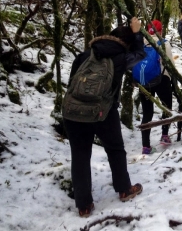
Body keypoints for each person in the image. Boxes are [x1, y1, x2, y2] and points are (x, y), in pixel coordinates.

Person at [64, 17, 144, 218]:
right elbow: (140, 54)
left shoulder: (85, 54)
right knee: (115, 149)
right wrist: (137, 34)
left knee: (80, 156)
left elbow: (72, 83)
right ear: (124, 43)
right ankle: (124, 189)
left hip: (73, 112)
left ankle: (83, 206)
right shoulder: (120, 58)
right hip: (102, 112)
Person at [140, 20, 174, 154]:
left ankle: (145, 146)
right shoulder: (163, 42)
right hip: (162, 79)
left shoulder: (140, 43)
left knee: (147, 113)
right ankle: (165, 135)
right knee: (166, 107)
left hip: (144, 81)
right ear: (160, 30)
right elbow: (170, 63)